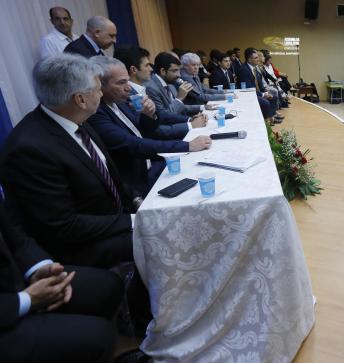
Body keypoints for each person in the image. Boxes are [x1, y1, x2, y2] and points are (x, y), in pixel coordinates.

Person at [0, 54, 133, 268]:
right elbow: (63, 225)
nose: (101, 94)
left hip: (111, 220)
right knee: (164, 238)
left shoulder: (73, 116)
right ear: (80, 99)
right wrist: (133, 221)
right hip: (78, 247)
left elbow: (108, 175)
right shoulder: (29, 149)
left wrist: (135, 200)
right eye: (98, 89)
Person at [0, 204, 124, 363]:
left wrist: (38, 268)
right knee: (99, 336)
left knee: (108, 287)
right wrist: (27, 300)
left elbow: (15, 235)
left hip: (12, 281)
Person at [87, 56, 212, 198]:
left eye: (127, 80)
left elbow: (146, 132)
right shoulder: (96, 113)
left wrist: (149, 115)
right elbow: (133, 144)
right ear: (100, 84)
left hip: (155, 165)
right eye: (121, 83)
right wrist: (187, 145)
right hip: (139, 182)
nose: (128, 87)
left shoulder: (120, 101)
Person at [146, 52, 210, 117]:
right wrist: (179, 98)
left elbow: (181, 107)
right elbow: (165, 116)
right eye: (174, 71)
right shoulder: (151, 88)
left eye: (179, 71)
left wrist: (203, 107)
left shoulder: (170, 82)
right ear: (163, 71)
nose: (179, 75)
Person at [235, 48, 280, 123]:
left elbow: (259, 84)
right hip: (248, 95)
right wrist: (263, 95)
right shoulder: (244, 70)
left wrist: (265, 92)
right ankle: (265, 122)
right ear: (249, 60)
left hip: (256, 92)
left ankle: (271, 118)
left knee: (274, 97)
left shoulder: (254, 68)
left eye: (258, 57)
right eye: (256, 58)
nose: (258, 59)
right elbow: (249, 89)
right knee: (266, 102)